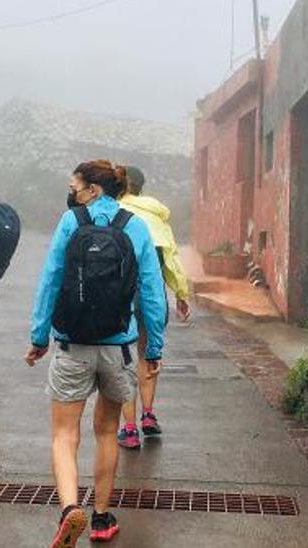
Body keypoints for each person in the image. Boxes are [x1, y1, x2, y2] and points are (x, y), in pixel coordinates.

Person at [26, 160, 168, 546]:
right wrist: (153, 346)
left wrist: (40, 337)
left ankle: (71, 508)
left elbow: (51, 279)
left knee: (63, 433)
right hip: (118, 348)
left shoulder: (71, 222)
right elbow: (152, 292)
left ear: (93, 190)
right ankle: (103, 518)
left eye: (75, 186)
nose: (72, 192)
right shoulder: (135, 226)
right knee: (107, 432)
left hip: (72, 345)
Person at [116, 165, 192, 449]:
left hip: (121, 295)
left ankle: (130, 428)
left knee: (123, 358)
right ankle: (148, 414)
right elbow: (171, 260)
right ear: (141, 187)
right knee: (149, 353)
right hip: (153, 294)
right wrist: (181, 294)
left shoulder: (112, 213)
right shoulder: (158, 218)